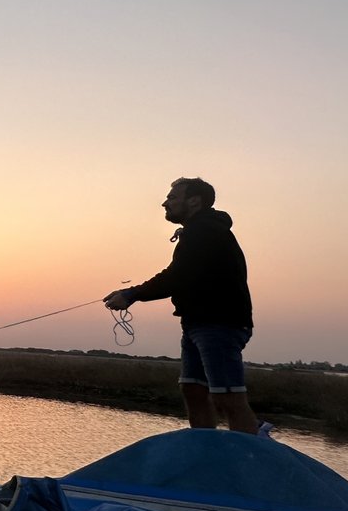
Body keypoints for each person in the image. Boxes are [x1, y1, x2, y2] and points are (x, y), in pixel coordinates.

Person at [104, 178, 264, 434]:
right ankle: (204, 450)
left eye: (172, 197)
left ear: (194, 201)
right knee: (192, 390)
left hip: (220, 324)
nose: (165, 203)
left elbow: (177, 276)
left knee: (227, 397)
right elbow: (182, 275)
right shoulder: (197, 230)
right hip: (195, 323)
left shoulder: (205, 231)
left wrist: (131, 294)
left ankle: (252, 452)